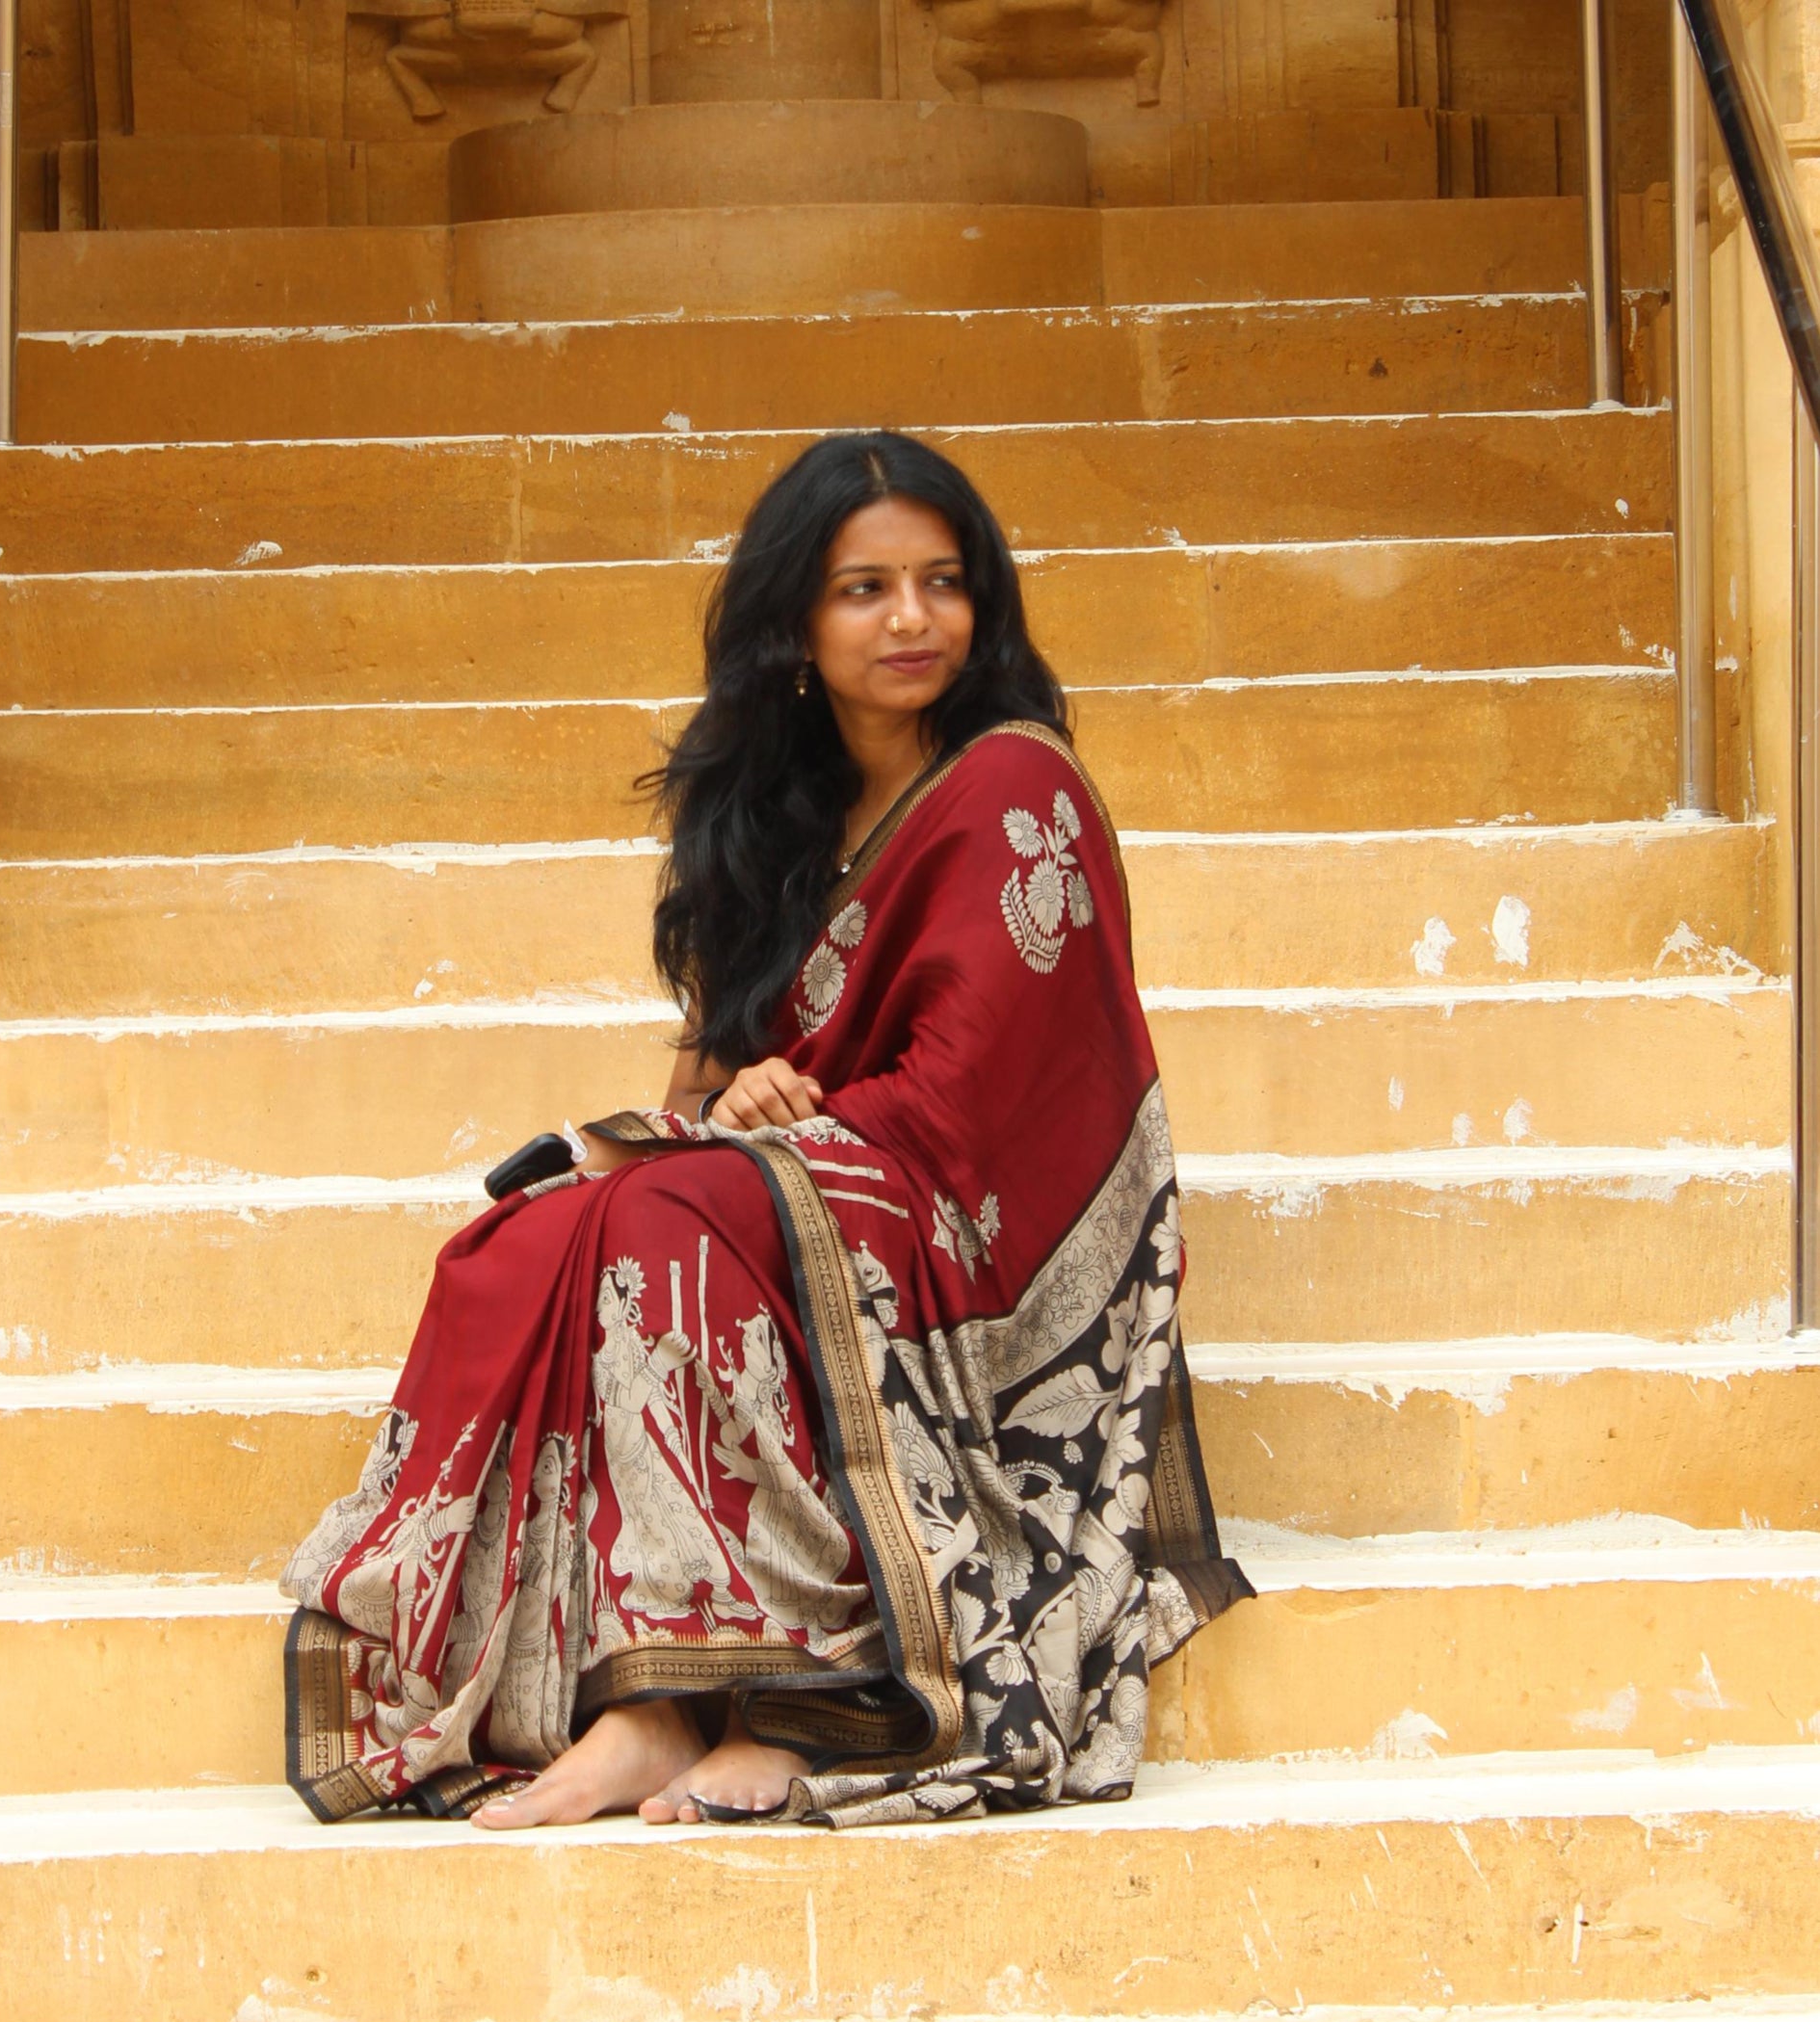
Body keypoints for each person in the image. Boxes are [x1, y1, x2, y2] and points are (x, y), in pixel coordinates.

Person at [279, 431, 1252, 1830]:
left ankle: (794, 1695)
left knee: (675, 1209)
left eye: (942, 582)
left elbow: (976, 1093)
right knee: (530, 1237)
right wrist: (732, 1110)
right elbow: (708, 1085)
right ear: (795, 623)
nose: (911, 619)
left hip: (969, 1229)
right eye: (865, 589)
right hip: (806, 1189)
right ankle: (650, 1701)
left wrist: (755, 1141)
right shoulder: (768, 820)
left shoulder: (1008, 787)